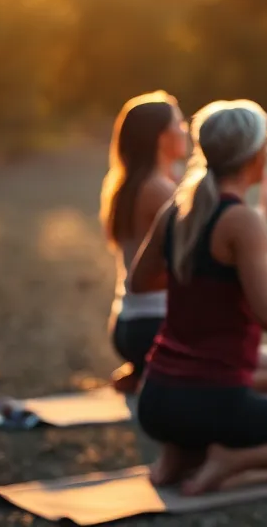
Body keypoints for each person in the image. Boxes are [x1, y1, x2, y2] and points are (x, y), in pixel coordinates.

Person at [129, 100, 267, 494]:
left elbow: (140, 280)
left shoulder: (177, 211)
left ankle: (181, 454)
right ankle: (231, 460)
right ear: (254, 154)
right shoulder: (240, 219)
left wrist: (203, 286)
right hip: (211, 400)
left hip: (155, 399)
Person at [101, 92, 189, 393]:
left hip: (127, 324)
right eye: (179, 123)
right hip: (156, 326)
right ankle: (155, 374)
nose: (186, 129)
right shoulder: (159, 189)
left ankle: (144, 370)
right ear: (161, 137)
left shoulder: (123, 184)